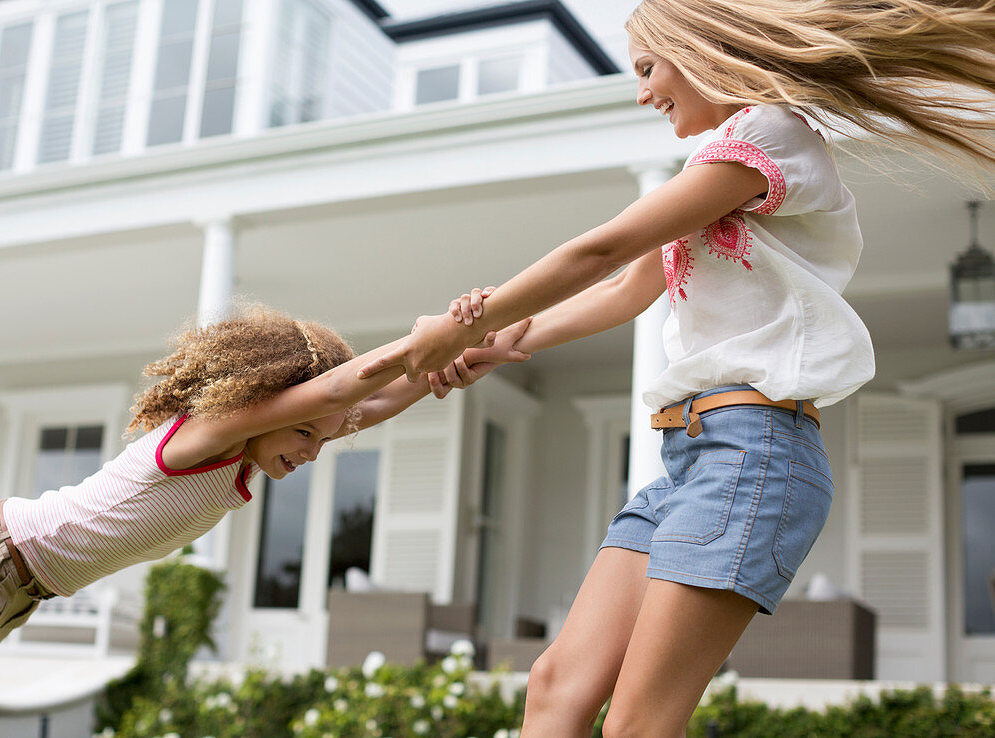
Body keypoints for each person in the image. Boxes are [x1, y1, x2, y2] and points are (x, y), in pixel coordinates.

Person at [359, 1, 995, 735]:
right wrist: (490, 343)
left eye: (647, 69)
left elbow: (601, 250)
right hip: (689, 462)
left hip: (753, 453)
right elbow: (624, 291)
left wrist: (469, 320)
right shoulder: (721, 160)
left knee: (638, 722)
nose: (641, 93)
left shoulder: (771, 134)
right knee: (556, 688)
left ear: (701, 52)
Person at [0, 303, 530, 721]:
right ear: (269, 402)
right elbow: (343, 388)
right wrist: (424, 341)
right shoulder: (208, 434)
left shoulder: (251, 458)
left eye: (322, 440)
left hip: (21, 588)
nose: (313, 453)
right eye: (305, 434)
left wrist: (455, 361)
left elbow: (366, 404)